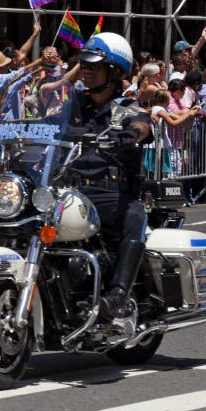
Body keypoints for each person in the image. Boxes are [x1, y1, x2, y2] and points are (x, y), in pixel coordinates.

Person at [70, 32, 153, 320]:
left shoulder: (126, 107)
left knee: (134, 217)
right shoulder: (74, 104)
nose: (87, 71)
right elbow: (48, 124)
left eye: (94, 66)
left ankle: (118, 294)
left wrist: (131, 135)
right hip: (74, 194)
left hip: (114, 194)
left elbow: (143, 124)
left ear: (114, 71)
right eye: (85, 65)